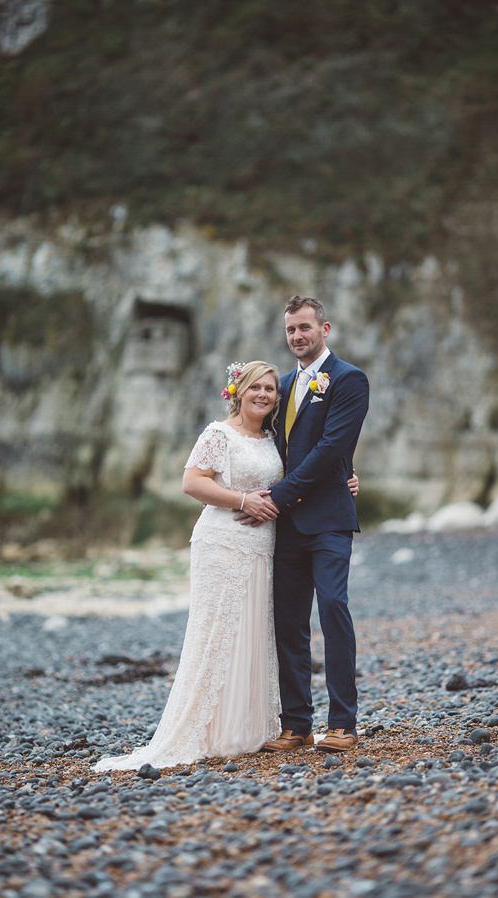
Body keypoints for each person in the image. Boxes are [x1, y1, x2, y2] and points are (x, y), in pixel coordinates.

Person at [94, 361, 288, 770]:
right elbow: (192, 482)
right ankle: (206, 730)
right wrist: (242, 500)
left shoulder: (275, 439)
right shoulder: (218, 434)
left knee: (254, 630)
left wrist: (346, 479)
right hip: (221, 543)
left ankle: (248, 729)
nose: (263, 395)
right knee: (216, 631)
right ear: (238, 391)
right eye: (255, 387)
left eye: (270, 389)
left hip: (262, 545)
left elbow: (300, 476)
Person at [254, 295, 370, 755]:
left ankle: (343, 722)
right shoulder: (280, 385)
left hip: (328, 520)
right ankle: (296, 725)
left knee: (333, 610)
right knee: (288, 623)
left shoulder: (349, 379)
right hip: (285, 527)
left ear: (326, 329)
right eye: (290, 330)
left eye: (305, 327)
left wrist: (276, 497)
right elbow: (271, 450)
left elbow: (331, 445)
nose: (297, 336)